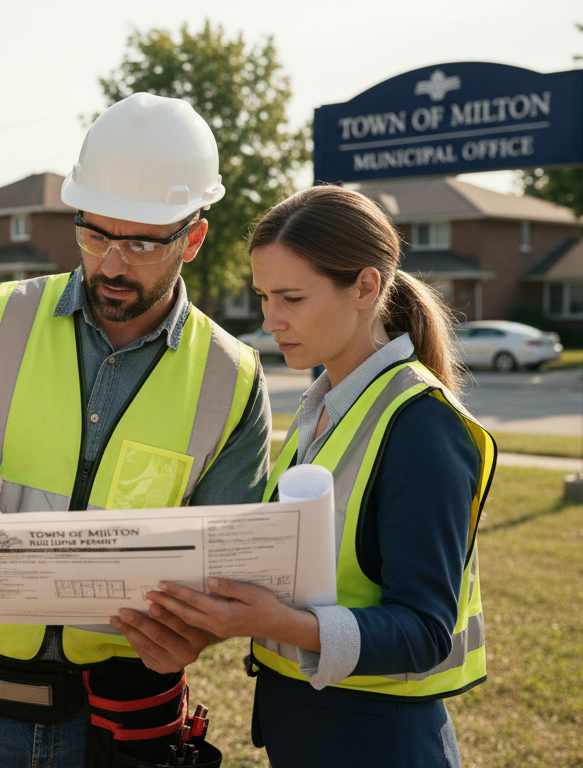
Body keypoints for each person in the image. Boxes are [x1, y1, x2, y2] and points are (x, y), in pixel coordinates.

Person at [0, 93, 271, 767]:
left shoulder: (232, 379)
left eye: (142, 243)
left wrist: (194, 634)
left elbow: (231, 567)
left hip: (121, 719)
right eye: (95, 235)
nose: (112, 264)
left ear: (194, 238)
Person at [142, 185, 495, 767]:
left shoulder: (422, 427)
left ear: (365, 287)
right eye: (262, 297)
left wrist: (279, 623)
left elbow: (425, 631)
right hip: (309, 729)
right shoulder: (325, 409)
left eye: (292, 298)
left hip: (381, 741)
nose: (269, 320)